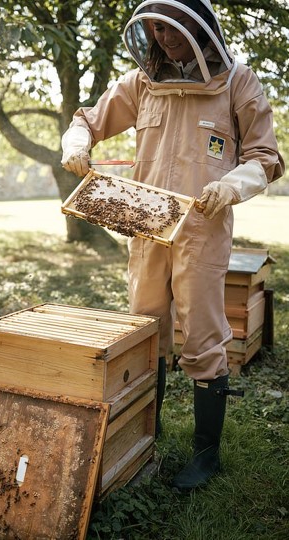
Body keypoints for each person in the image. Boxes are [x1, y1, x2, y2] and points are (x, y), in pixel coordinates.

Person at [61, 0, 284, 490]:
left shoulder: (237, 81)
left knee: (203, 335)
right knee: (144, 329)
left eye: (171, 25)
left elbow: (266, 157)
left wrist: (232, 184)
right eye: (154, 27)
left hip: (201, 230)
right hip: (145, 226)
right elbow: (87, 119)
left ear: (196, 24)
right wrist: (76, 144)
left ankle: (206, 453)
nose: (162, 36)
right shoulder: (142, 83)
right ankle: (147, 430)